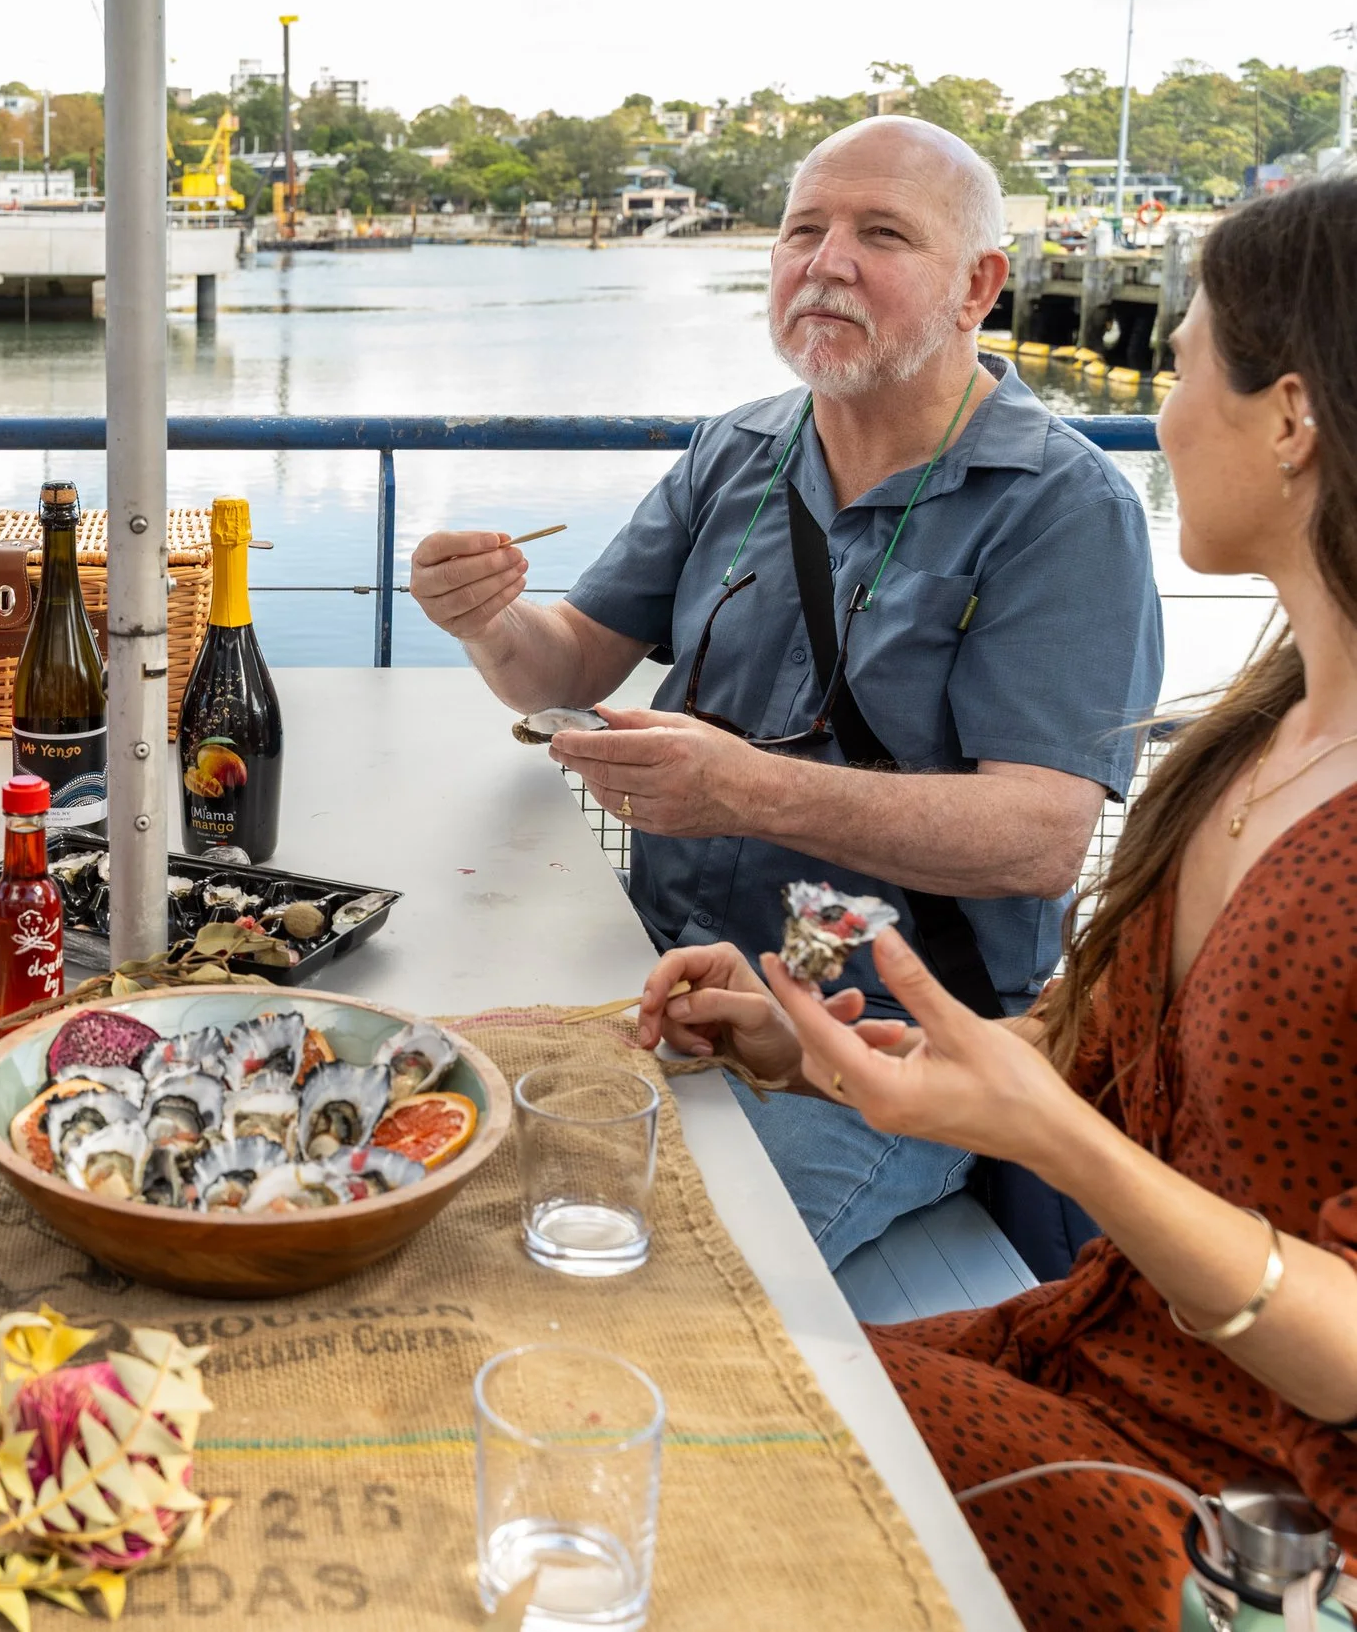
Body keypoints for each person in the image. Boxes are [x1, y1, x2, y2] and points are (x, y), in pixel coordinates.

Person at [634, 178, 1357, 1632]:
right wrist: (818, 1045)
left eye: (1183, 364)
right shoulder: (1258, 732)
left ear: (1292, 419)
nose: (1159, 416)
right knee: (660, 1359)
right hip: (1093, 1352)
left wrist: (1061, 1142)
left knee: (666, 1404)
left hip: (1252, 1508)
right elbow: (1090, 1046)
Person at [410, 117, 1164, 1267]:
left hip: (880, 1053)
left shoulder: (1062, 508)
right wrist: (484, 618)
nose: (826, 261)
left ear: (979, 285)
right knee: (435, 1183)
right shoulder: (738, 450)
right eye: (802, 229)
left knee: (647, 1271)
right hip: (654, 974)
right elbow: (565, 664)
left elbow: (1039, 837)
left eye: (880, 233)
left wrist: (747, 790)